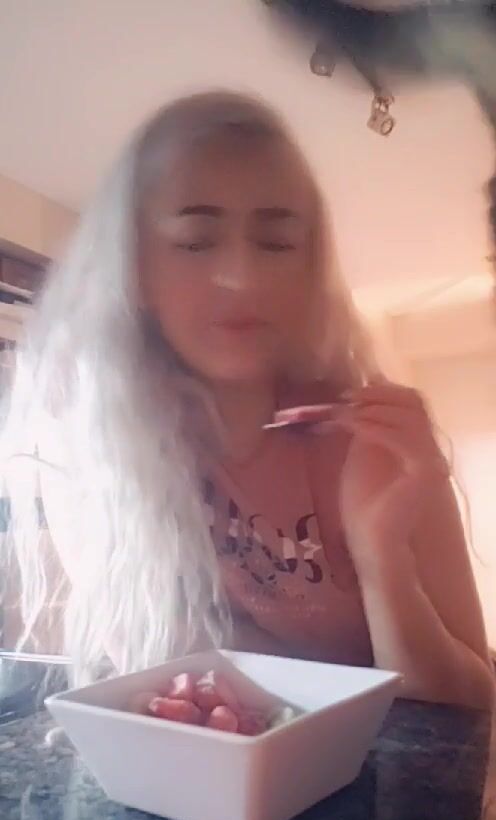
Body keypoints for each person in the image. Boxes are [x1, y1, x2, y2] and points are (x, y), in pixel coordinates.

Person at [1, 91, 493, 708]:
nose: (240, 276)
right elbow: (175, 685)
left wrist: (382, 558)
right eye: (195, 241)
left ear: (310, 267)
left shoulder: (383, 449)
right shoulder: (103, 451)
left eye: (276, 243)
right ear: (135, 269)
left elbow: (470, 707)